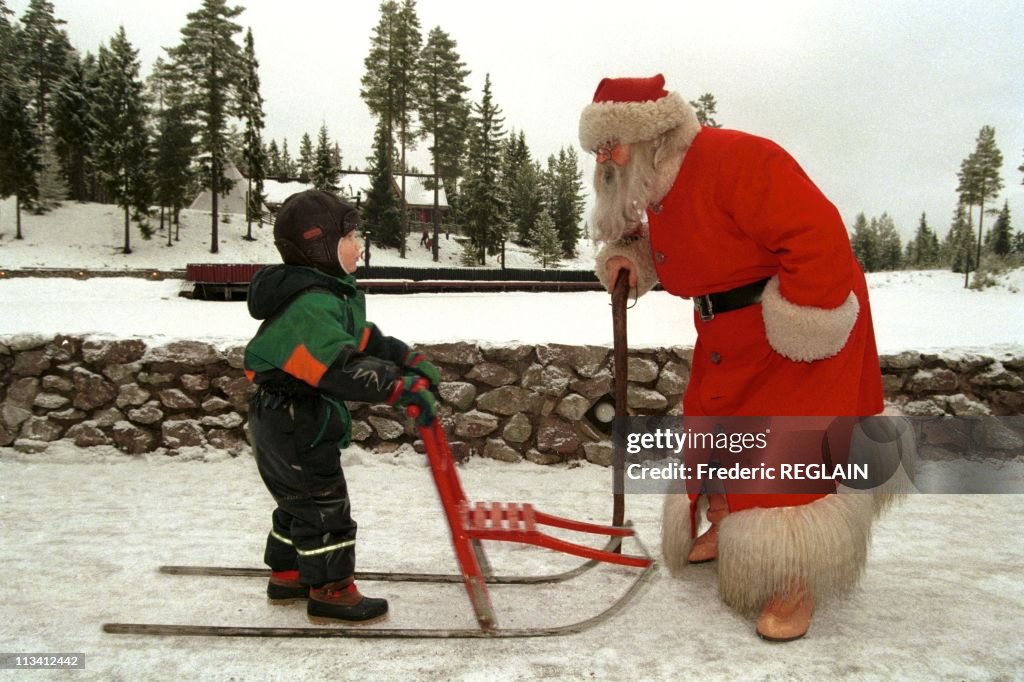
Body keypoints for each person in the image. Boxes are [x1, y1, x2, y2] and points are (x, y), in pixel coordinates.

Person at [580, 75, 891, 641]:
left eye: (614, 143)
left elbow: (817, 234)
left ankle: (792, 575)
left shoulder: (738, 159)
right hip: (726, 329)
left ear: (653, 134)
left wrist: (804, 323)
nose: (606, 158)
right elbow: (676, 237)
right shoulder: (653, 183)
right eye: (599, 148)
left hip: (796, 322)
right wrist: (632, 257)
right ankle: (729, 526)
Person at [243, 189, 441, 624]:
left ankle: (290, 572)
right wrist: (399, 387)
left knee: (299, 499)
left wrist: (402, 357)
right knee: (323, 504)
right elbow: (339, 366)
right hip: (293, 417)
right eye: (350, 236)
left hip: (288, 414)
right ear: (319, 244)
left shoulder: (326, 294)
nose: (359, 244)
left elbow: (358, 337)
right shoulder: (311, 304)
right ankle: (331, 590)